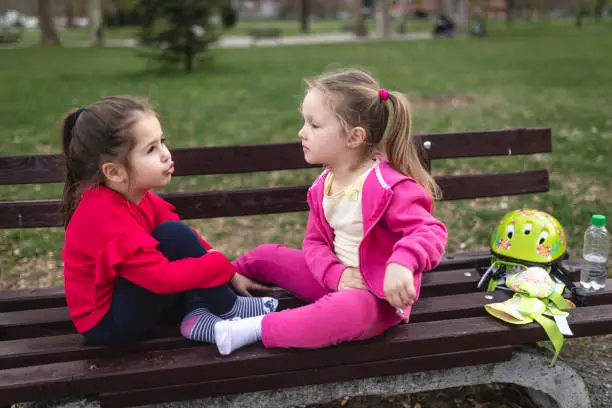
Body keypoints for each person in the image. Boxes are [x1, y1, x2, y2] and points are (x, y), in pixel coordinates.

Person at [213, 69, 448, 355]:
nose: (301, 132)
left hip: (375, 298)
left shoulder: (388, 186)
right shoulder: (324, 184)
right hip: (333, 277)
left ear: (353, 137)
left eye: (313, 125)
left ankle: (254, 327)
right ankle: (217, 282)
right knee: (266, 256)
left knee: (346, 313)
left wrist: (401, 263)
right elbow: (314, 243)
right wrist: (336, 275)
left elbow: (430, 231)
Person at [60, 96, 278, 347]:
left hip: (132, 298)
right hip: (108, 325)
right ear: (114, 171)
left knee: (175, 236)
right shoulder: (101, 214)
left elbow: (187, 242)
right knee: (173, 237)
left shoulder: (140, 197)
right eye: (151, 149)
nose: (166, 154)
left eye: (162, 142)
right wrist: (216, 266)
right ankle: (230, 309)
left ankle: (201, 321)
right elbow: (159, 278)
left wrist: (227, 273)